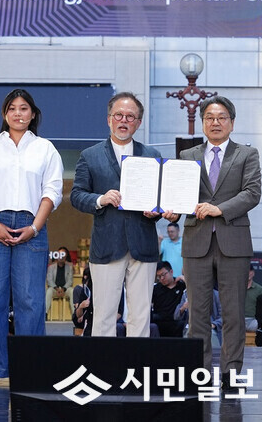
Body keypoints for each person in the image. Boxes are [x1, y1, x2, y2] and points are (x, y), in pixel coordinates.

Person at [0, 88, 63, 386]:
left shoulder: (45, 148)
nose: (18, 113)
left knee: (30, 299)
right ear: (4, 114)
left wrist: (34, 227)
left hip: (32, 225)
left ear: (33, 114)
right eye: (12, 108)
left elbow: (52, 191)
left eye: (24, 108)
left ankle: (31, 368)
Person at [179, 95, 262, 392]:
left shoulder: (246, 154)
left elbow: (252, 193)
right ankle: (200, 372)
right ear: (203, 123)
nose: (215, 123)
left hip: (233, 240)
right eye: (210, 118)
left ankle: (231, 372)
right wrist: (170, 207)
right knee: (198, 314)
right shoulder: (187, 155)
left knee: (233, 312)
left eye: (221, 117)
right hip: (196, 240)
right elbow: (180, 194)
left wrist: (219, 209)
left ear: (232, 123)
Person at [71, 92, 169, 338]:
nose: (124, 120)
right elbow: (77, 196)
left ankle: (137, 363)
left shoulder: (152, 155)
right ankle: (103, 362)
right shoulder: (90, 155)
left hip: (143, 245)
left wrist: (156, 212)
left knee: (141, 316)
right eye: (118, 115)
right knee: (103, 316)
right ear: (109, 119)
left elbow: (161, 199)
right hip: (107, 246)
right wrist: (100, 199)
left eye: (130, 116)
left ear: (138, 122)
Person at [72, 266, 126, 337]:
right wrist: (81, 307)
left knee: (117, 328)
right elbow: (78, 315)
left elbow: (119, 313)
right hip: (92, 323)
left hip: (110, 322)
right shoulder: (88, 287)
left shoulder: (117, 286)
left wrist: (105, 322)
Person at [150, 261, 186, 337]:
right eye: (159, 276)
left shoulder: (181, 286)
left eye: (163, 275)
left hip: (176, 320)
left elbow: (194, 291)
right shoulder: (156, 289)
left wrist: (184, 279)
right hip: (160, 321)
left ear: (171, 272)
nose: (162, 278)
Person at [45, 246, 73, 314]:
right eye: (60, 254)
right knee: (49, 291)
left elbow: (70, 281)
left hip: (65, 289)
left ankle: (74, 313)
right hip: (55, 289)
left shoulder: (69, 267)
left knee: (72, 291)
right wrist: (57, 288)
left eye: (63, 254)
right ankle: (45, 313)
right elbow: (49, 280)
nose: (61, 257)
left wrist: (63, 289)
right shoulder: (51, 267)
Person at [245, 266, 262, 332]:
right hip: (238, 320)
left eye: (250, 271)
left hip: (253, 320)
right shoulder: (236, 289)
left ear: (253, 273)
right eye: (245, 271)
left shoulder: (259, 289)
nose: (248, 273)